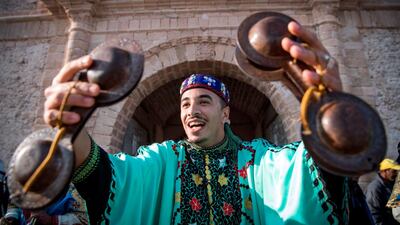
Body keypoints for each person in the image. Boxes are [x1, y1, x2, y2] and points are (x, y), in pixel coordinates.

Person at [43, 22, 372, 224]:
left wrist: (329, 114)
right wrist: (72, 128)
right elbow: (105, 176)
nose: (191, 111)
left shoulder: (261, 160)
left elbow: (309, 174)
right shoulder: (162, 160)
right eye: (185, 103)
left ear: (226, 112)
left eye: (204, 101)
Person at [0, 185, 88, 225]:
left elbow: (83, 218)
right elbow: (14, 202)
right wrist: (12, 217)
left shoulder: (71, 190)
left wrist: (52, 220)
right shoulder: (22, 179)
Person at [366, 159, 400, 225]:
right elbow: (373, 213)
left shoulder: (391, 184)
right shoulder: (375, 188)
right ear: (385, 171)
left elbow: (394, 206)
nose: (396, 173)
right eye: (394, 171)